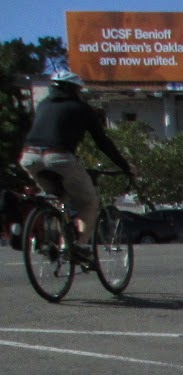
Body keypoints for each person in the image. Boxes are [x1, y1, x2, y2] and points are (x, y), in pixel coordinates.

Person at [18, 70, 135, 256]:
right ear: (74, 90)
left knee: (59, 198)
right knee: (89, 202)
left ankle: (55, 238)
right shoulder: (81, 109)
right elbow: (103, 142)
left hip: (29, 157)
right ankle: (78, 245)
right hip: (59, 157)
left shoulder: (42, 106)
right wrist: (125, 166)